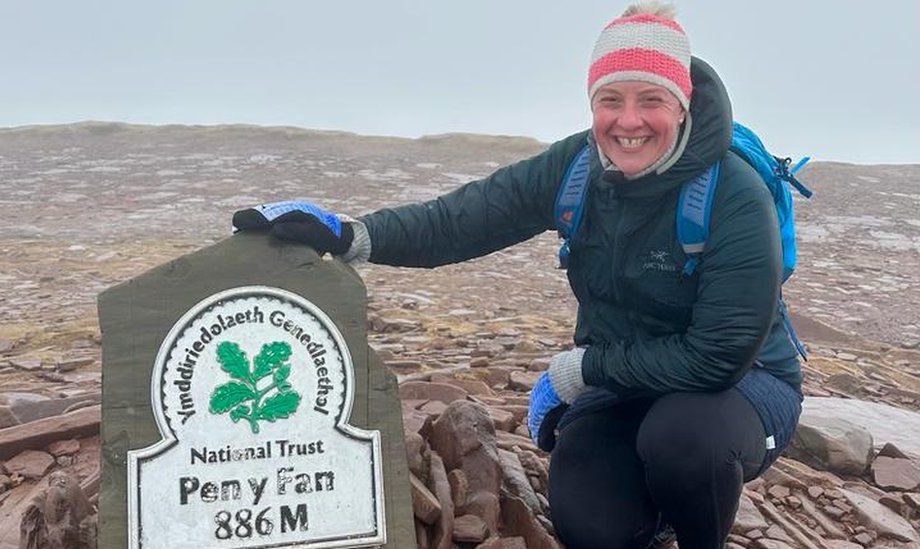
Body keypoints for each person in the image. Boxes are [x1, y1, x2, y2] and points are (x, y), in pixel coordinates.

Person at [232, 2, 804, 548]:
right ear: (592, 104)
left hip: (739, 385)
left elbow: (718, 356)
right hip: (629, 383)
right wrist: (351, 234)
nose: (628, 121)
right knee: (592, 529)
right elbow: (461, 220)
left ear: (681, 104)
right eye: (611, 99)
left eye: (650, 99)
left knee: (685, 441)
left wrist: (580, 370)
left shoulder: (732, 193)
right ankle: (662, 515)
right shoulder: (575, 167)